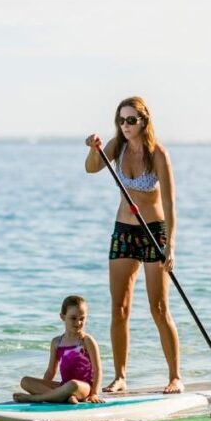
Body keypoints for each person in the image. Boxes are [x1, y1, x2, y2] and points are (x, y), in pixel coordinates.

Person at [84, 96, 182, 394]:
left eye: (131, 120)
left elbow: (169, 203)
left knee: (159, 307)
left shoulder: (159, 155)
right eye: (121, 120)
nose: (125, 126)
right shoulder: (116, 146)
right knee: (120, 308)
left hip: (154, 232)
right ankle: (120, 376)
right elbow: (91, 169)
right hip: (124, 231)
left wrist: (171, 246)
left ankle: (175, 376)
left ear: (144, 121)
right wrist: (93, 149)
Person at [14, 295, 104, 404]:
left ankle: (36, 398)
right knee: (25, 381)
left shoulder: (87, 341)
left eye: (82, 319)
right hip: (64, 386)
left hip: (83, 388)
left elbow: (98, 370)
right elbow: (51, 371)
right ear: (62, 317)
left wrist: (94, 393)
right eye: (73, 318)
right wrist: (40, 386)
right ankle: (64, 397)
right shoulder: (57, 342)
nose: (78, 323)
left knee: (73, 384)